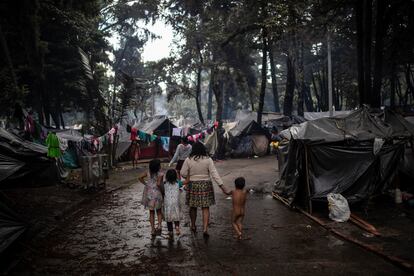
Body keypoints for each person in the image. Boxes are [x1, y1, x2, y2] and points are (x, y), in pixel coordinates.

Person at [181, 142, 227, 238]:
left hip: (193, 185)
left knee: (192, 207)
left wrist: (190, 175)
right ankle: (205, 228)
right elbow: (214, 174)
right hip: (206, 185)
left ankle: (193, 225)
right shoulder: (208, 160)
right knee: (205, 207)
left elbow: (183, 173)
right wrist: (222, 186)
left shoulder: (188, 160)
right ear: (203, 149)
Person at [139, 159, 164, 237]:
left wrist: (146, 184)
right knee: (159, 211)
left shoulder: (148, 172)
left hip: (149, 195)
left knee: (151, 212)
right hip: (157, 194)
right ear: (158, 166)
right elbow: (159, 184)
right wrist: (163, 192)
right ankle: (159, 226)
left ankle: (153, 230)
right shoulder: (160, 174)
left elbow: (140, 177)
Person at [163, 169, 181, 239]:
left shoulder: (164, 184)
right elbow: (187, 181)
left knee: (169, 218)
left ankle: (170, 231)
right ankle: (177, 227)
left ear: (167, 176)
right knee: (176, 216)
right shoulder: (178, 183)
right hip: (176, 203)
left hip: (167, 203)